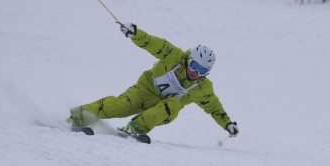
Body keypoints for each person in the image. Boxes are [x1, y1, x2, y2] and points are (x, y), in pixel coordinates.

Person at [66, 23, 239, 144]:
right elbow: (152, 43)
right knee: (119, 106)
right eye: (194, 66)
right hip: (145, 90)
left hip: (162, 109)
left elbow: (215, 108)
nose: (195, 73)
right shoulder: (174, 56)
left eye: (202, 71)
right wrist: (135, 33)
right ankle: (78, 116)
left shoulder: (203, 87)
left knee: (174, 104)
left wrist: (228, 124)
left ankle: (134, 127)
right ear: (188, 60)